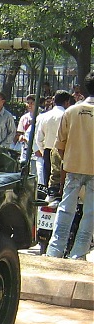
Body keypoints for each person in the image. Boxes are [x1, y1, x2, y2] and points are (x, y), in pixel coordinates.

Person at [46, 71, 94, 259]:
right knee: (89, 214)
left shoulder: (71, 111)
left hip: (73, 168)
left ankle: (55, 250)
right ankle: (78, 253)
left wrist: (69, 161)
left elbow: (60, 145)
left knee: (66, 210)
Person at [35, 90, 73, 189]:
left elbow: (38, 138)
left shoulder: (44, 116)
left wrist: (44, 152)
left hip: (48, 151)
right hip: (63, 152)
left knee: (49, 183)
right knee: (64, 184)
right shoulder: (67, 116)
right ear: (66, 102)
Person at [15, 95, 36, 164]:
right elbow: (19, 132)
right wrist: (21, 137)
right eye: (28, 103)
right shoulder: (24, 118)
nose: (29, 105)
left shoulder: (41, 116)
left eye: (32, 103)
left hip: (36, 148)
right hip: (25, 147)